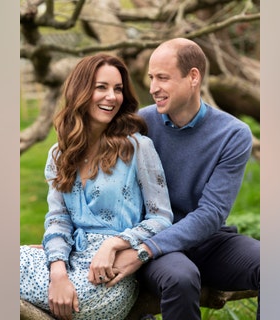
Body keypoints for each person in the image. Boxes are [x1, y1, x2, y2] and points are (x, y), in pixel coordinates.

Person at [107, 38, 260, 319]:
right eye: (151, 78)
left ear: (193, 77)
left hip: (205, 240)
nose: (153, 88)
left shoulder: (232, 134)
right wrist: (142, 247)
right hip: (153, 237)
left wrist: (144, 251)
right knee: (181, 278)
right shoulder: (140, 125)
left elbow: (212, 213)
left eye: (163, 78)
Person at [19, 53, 173, 320]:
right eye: (101, 87)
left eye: (118, 89)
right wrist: (57, 273)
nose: (111, 97)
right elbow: (58, 219)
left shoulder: (138, 148)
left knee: (82, 301)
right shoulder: (59, 153)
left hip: (112, 272)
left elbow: (161, 217)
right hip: (69, 259)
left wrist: (115, 243)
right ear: (80, 91)